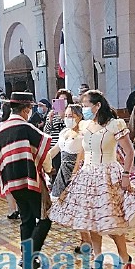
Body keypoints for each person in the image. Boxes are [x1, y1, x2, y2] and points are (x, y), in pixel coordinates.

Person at [49, 90, 135, 269]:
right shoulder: (85, 125)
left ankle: (125, 259)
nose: (84, 109)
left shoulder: (115, 125)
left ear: (97, 105)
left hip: (109, 174)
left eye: (86, 105)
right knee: (91, 221)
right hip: (88, 175)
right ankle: (98, 259)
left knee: (112, 220)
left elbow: (129, 152)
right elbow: (81, 149)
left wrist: (126, 175)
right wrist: (76, 171)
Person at [0, 92, 53, 269]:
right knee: (45, 218)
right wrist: (47, 169)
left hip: (12, 181)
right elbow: (43, 148)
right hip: (29, 180)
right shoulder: (25, 127)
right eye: (30, 109)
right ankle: (29, 257)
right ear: (25, 109)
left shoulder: (1, 128)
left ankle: (26, 259)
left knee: (26, 219)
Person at [46, 104, 91, 253]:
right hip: (63, 170)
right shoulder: (64, 132)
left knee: (78, 208)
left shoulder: (84, 133)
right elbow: (55, 150)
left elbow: (83, 154)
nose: (67, 119)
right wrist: (42, 160)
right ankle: (84, 239)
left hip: (77, 171)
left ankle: (87, 241)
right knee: (69, 208)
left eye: (71, 116)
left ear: (79, 117)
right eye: (66, 116)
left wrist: (76, 172)